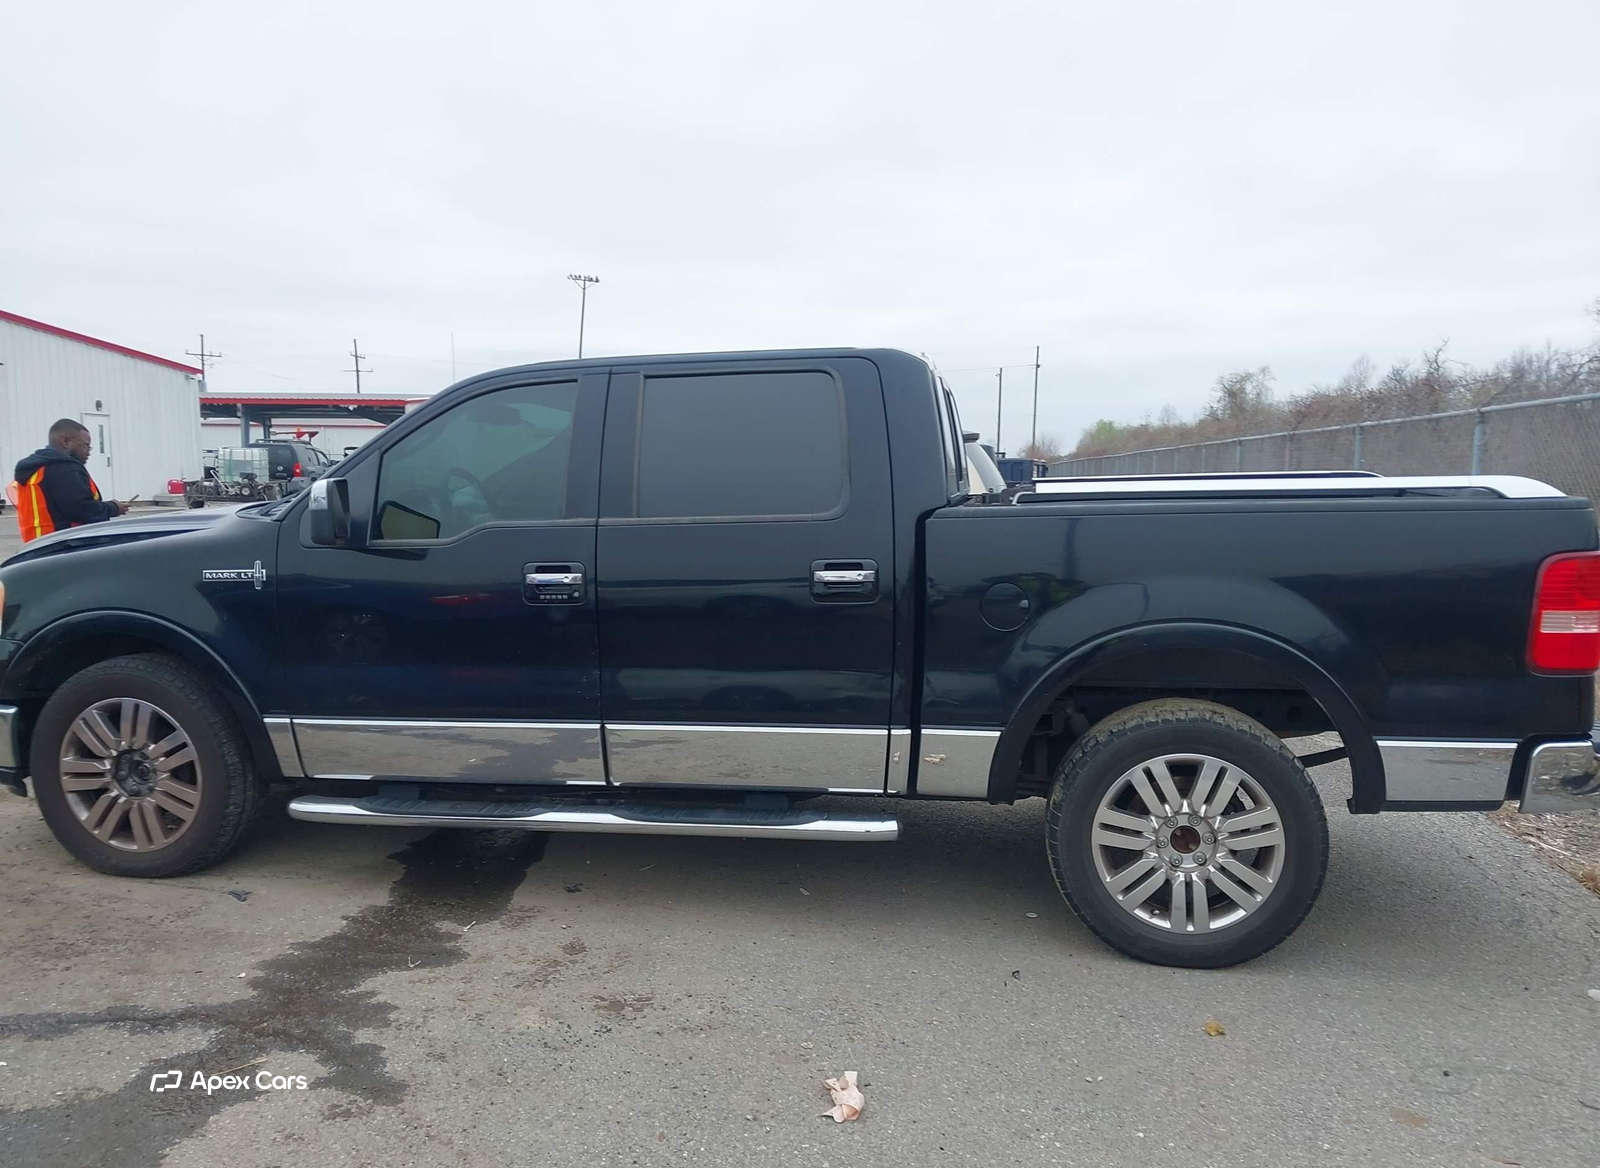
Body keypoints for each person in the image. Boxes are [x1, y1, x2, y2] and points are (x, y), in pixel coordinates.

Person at [13, 419, 129, 542]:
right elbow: (81, 509)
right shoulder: (64, 468)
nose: (88, 452)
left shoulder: (35, 469)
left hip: (37, 544)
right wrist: (113, 507)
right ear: (65, 441)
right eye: (85, 446)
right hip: (65, 543)